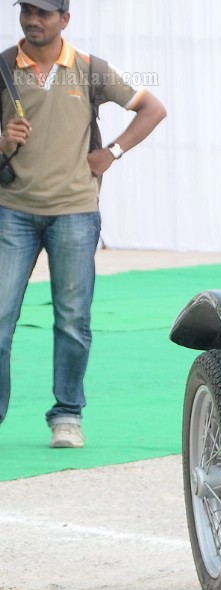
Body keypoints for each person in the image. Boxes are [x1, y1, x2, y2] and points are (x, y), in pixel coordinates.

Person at [0, 0, 166, 448]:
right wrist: (2, 141)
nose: (33, 20)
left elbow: (152, 108)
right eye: (26, 11)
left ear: (65, 19)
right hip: (11, 210)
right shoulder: (2, 68)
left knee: (73, 319)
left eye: (44, 13)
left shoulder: (90, 69)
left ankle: (67, 416)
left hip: (75, 211)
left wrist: (111, 152)